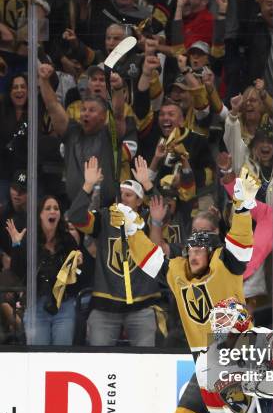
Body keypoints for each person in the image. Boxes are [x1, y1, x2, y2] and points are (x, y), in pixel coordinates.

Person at [117, 169, 259, 413]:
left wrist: (242, 209)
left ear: (211, 253)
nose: (193, 255)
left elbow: (241, 245)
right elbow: (151, 260)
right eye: (190, 250)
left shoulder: (226, 265)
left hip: (238, 356)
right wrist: (133, 229)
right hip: (203, 362)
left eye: (200, 250)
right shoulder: (177, 271)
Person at [67, 156, 162, 347]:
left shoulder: (147, 223)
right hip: (105, 306)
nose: (122, 198)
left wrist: (147, 184)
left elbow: (161, 209)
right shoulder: (104, 218)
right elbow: (76, 217)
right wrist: (87, 185)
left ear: (139, 201)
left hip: (141, 305)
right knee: (100, 364)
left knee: (146, 364)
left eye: (129, 195)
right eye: (120, 194)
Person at [38, 63, 137, 207]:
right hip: (76, 206)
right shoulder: (71, 131)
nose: (85, 113)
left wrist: (117, 88)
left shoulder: (110, 134)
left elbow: (118, 114)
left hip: (109, 207)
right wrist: (44, 80)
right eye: (84, 109)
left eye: (91, 110)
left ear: (103, 117)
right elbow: (53, 106)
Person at [7, 196, 84, 346]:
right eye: (48, 208)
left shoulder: (68, 240)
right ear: (40, 215)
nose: (53, 211)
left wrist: (79, 265)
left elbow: (78, 276)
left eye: (56, 208)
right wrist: (17, 245)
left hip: (63, 305)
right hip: (36, 306)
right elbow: (17, 271)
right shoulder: (30, 239)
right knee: (38, 356)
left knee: (61, 355)